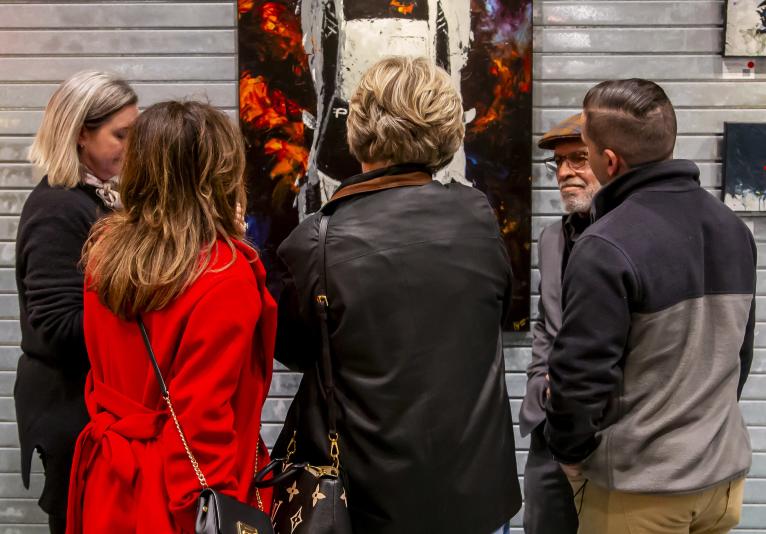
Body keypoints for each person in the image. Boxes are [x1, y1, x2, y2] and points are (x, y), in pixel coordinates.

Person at [272, 56, 521, 534]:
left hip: (363, 509)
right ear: (446, 129)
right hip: (477, 501)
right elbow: (494, 311)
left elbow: (297, 353)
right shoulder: (479, 217)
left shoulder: (314, 243)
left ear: (358, 127)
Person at [545, 79, 755, 534]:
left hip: (642, 493)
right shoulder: (734, 229)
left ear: (609, 160)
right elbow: (739, 357)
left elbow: (580, 377)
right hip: (722, 486)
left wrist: (569, 454)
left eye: (584, 151)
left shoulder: (606, 243)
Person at [67, 101, 276, 533]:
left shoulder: (104, 253)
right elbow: (203, 425)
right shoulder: (225, 273)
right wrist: (216, 514)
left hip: (110, 481)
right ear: (218, 175)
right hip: (177, 499)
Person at [14, 70, 138, 534]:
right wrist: (144, 318)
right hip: (70, 411)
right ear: (81, 133)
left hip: (89, 409)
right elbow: (57, 325)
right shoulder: (59, 207)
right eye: (120, 135)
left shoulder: (99, 198)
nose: (131, 147)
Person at [519, 113, 600, 534]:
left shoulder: (630, 236)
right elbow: (546, 325)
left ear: (608, 160)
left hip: (607, 435)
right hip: (548, 428)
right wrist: (540, 380)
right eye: (559, 162)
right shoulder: (552, 238)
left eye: (578, 158)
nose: (565, 171)